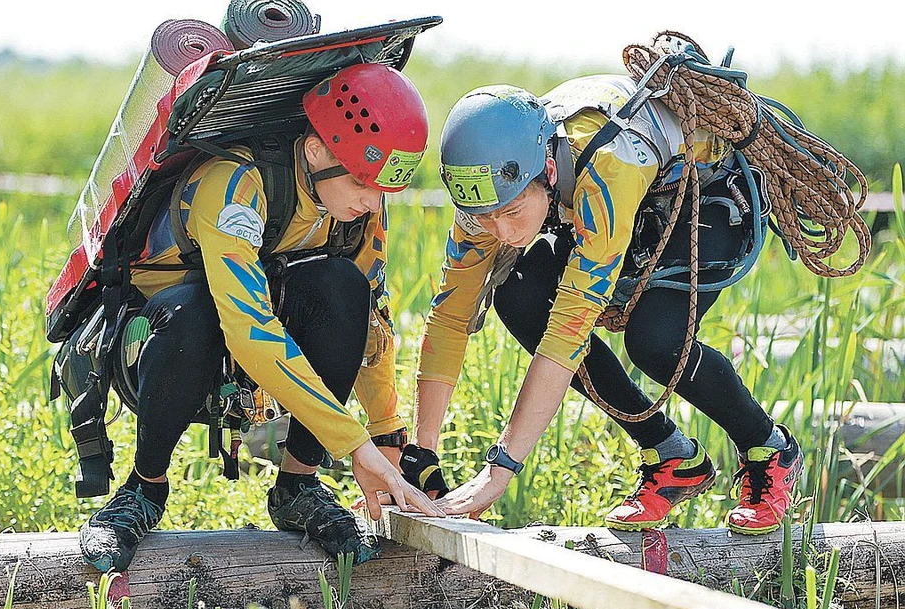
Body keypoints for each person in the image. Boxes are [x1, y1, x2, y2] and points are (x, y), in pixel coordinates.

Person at [78, 63, 443, 573]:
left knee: (344, 288)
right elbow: (248, 330)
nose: (373, 200)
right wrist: (355, 445)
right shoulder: (234, 187)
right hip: (160, 341)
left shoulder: (356, 208)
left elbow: (372, 329)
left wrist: (388, 441)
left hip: (257, 338)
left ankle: (297, 487)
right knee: (197, 311)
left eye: (384, 187)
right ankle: (144, 490)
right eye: (363, 181)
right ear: (316, 151)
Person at [413, 78, 804, 534]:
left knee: (655, 341)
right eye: (485, 217)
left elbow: (567, 333)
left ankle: (769, 447)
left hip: (705, 195)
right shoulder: (489, 191)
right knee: (518, 295)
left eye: (513, 212)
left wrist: (500, 472)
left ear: (547, 170)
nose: (501, 231)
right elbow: (450, 315)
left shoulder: (609, 165)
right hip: (632, 203)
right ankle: (671, 455)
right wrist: (422, 453)